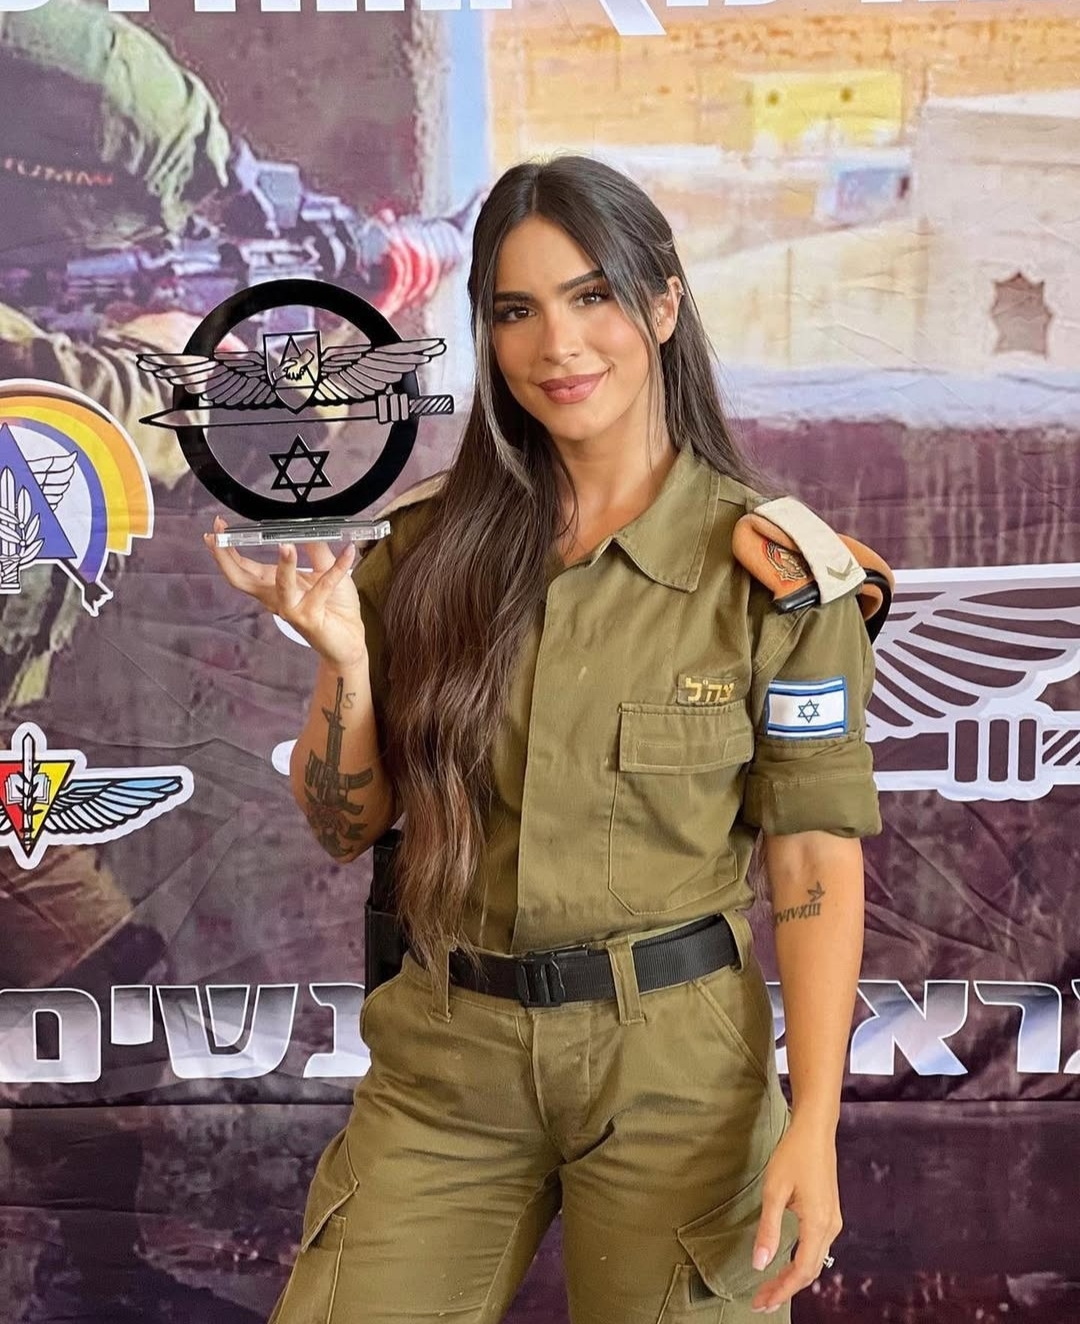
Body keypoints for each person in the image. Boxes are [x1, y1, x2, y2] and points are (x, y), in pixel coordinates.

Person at [205, 155, 881, 1324]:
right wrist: (346, 663)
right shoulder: (428, 552)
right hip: (449, 1055)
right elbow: (343, 823)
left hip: (675, 1068)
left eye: (591, 296)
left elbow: (813, 855)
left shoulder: (775, 575)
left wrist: (814, 1120)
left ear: (662, 305)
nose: (556, 345)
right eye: (516, 310)